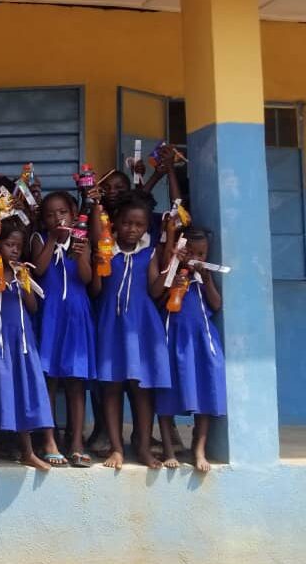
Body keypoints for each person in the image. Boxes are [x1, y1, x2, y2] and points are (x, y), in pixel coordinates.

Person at [91, 193, 171, 469]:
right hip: (111, 325)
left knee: (141, 389)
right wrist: (98, 264)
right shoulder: (105, 249)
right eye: (126, 223)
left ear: (146, 228)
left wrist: (169, 268)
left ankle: (144, 447)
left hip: (141, 326)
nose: (132, 229)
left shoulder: (149, 253)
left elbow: (155, 290)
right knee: (111, 387)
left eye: (138, 225)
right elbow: (96, 290)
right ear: (115, 223)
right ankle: (116, 448)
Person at [0, 220, 56, 471]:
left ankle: (27, 450)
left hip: (19, 340)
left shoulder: (23, 272)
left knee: (21, 388)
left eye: (18, 246)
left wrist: (23, 280)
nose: (14, 250)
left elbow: (32, 307)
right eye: (9, 245)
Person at [30, 192, 97, 467]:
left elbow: (87, 278)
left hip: (77, 316)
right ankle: (49, 439)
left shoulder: (83, 240)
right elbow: (40, 270)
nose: (57, 218)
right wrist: (53, 241)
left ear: (72, 213)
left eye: (62, 213)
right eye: (49, 214)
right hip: (50, 316)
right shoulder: (39, 240)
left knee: (75, 380)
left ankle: (77, 441)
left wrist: (80, 255)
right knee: (49, 379)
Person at [155, 226, 226, 473]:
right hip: (172, 338)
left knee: (204, 388)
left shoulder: (204, 277)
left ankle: (199, 447)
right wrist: (175, 279)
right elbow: (158, 299)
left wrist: (205, 278)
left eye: (202, 253)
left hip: (201, 341)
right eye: (190, 252)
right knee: (168, 389)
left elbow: (216, 305)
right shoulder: (173, 271)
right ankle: (168, 448)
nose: (197, 257)